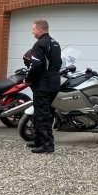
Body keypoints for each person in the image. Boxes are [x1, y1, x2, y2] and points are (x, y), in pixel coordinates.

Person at [25, 19, 63, 154]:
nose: (32, 32)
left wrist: (28, 79)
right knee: (44, 113)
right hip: (54, 83)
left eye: (33, 29)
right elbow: (58, 63)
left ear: (40, 29)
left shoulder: (40, 44)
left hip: (43, 84)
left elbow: (35, 65)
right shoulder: (55, 43)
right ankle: (38, 141)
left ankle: (47, 144)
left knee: (42, 115)